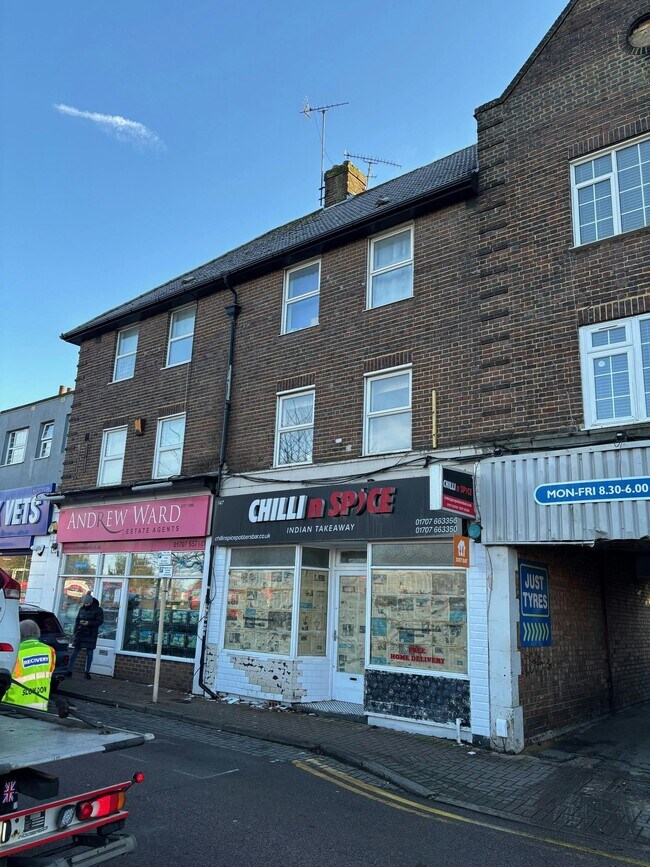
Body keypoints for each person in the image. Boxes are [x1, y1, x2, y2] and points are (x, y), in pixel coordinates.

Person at [2, 620, 55, 710]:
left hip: (14, 709)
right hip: (40, 709)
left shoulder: (16, 653)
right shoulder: (50, 651)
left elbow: (5, 681)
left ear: (20, 634)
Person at [65, 592, 104, 680]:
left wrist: (88, 623)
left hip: (91, 634)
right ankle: (69, 671)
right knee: (75, 652)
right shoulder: (81, 609)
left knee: (89, 653)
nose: (85, 605)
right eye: (84, 603)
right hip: (80, 632)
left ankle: (87, 672)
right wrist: (75, 632)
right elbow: (77, 620)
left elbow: (99, 621)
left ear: (91, 602)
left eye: (87, 603)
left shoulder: (98, 610)